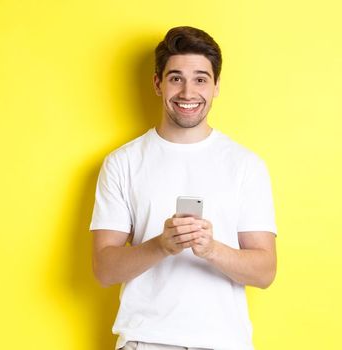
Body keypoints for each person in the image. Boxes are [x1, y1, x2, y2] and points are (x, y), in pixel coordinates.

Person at [90, 26, 277, 350]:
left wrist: (211, 249)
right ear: (157, 83)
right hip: (146, 341)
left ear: (216, 85)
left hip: (223, 343)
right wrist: (162, 245)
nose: (188, 92)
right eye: (176, 77)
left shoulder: (246, 165)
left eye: (201, 79)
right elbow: (104, 270)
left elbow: (265, 272)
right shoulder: (123, 162)